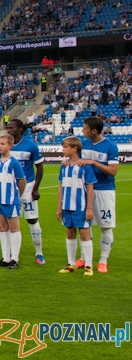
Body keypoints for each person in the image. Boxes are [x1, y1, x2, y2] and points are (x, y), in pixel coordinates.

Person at [75, 116, 118, 273]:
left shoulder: (110, 146)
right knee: (84, 225)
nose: (82, 131)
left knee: (106, 227)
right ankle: (83, 258)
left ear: (94, 131)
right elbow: (76, 161)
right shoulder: (83, 144)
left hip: (104, 190)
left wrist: (93, 162)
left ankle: (103, 260)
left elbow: (113, 171)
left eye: (85, 128)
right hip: (85, 190)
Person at [6, 119, 46, 264]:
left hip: (28, 187)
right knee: (11, 221)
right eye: (8, 127)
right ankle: (12, 253)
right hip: (11, 189)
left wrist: (35, 188)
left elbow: (40, 168)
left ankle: (39, 253)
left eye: (12, 128)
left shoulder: (31, 146)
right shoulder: (6, 146)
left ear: (20, 129)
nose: (9, 130)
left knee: (32, 219)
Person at [57, 137, 97, 276]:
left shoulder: (85, 166)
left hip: (80, 206)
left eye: (66, 147)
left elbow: (90, 188)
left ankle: (89, 265)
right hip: (67, 206)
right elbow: (61, 187)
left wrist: (89, 208)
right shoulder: (64, 166)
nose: (63, 149)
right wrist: (59, 207)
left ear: (74, 149)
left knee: (85, 234)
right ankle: (71, 263)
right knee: (70, 233)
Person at [0, 134, 26, 270]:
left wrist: (16, 196)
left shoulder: (14, 162)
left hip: (10, 200)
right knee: (2, 228)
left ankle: (14, 259)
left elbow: (22, 181)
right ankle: (5, 258)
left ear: (10, 146)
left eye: (3, 144)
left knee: (14, 228)